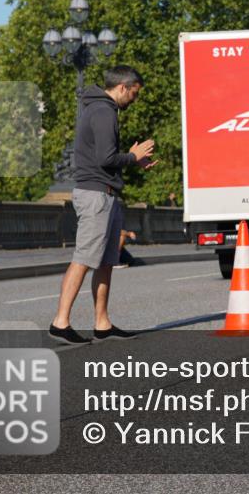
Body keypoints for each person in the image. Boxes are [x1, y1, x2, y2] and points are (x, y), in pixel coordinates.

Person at [50, 66, 156, 344]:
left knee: (107, 262)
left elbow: (107, 159)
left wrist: (134, 161)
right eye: (134, 93)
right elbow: (105, 158)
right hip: (95, 195)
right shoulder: (103, 111)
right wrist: (132, 157)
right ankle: (60, 322)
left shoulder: (102, 110)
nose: (134, 99)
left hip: (106, 194)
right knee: (84, 258)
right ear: (123, 87)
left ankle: (102, 323)